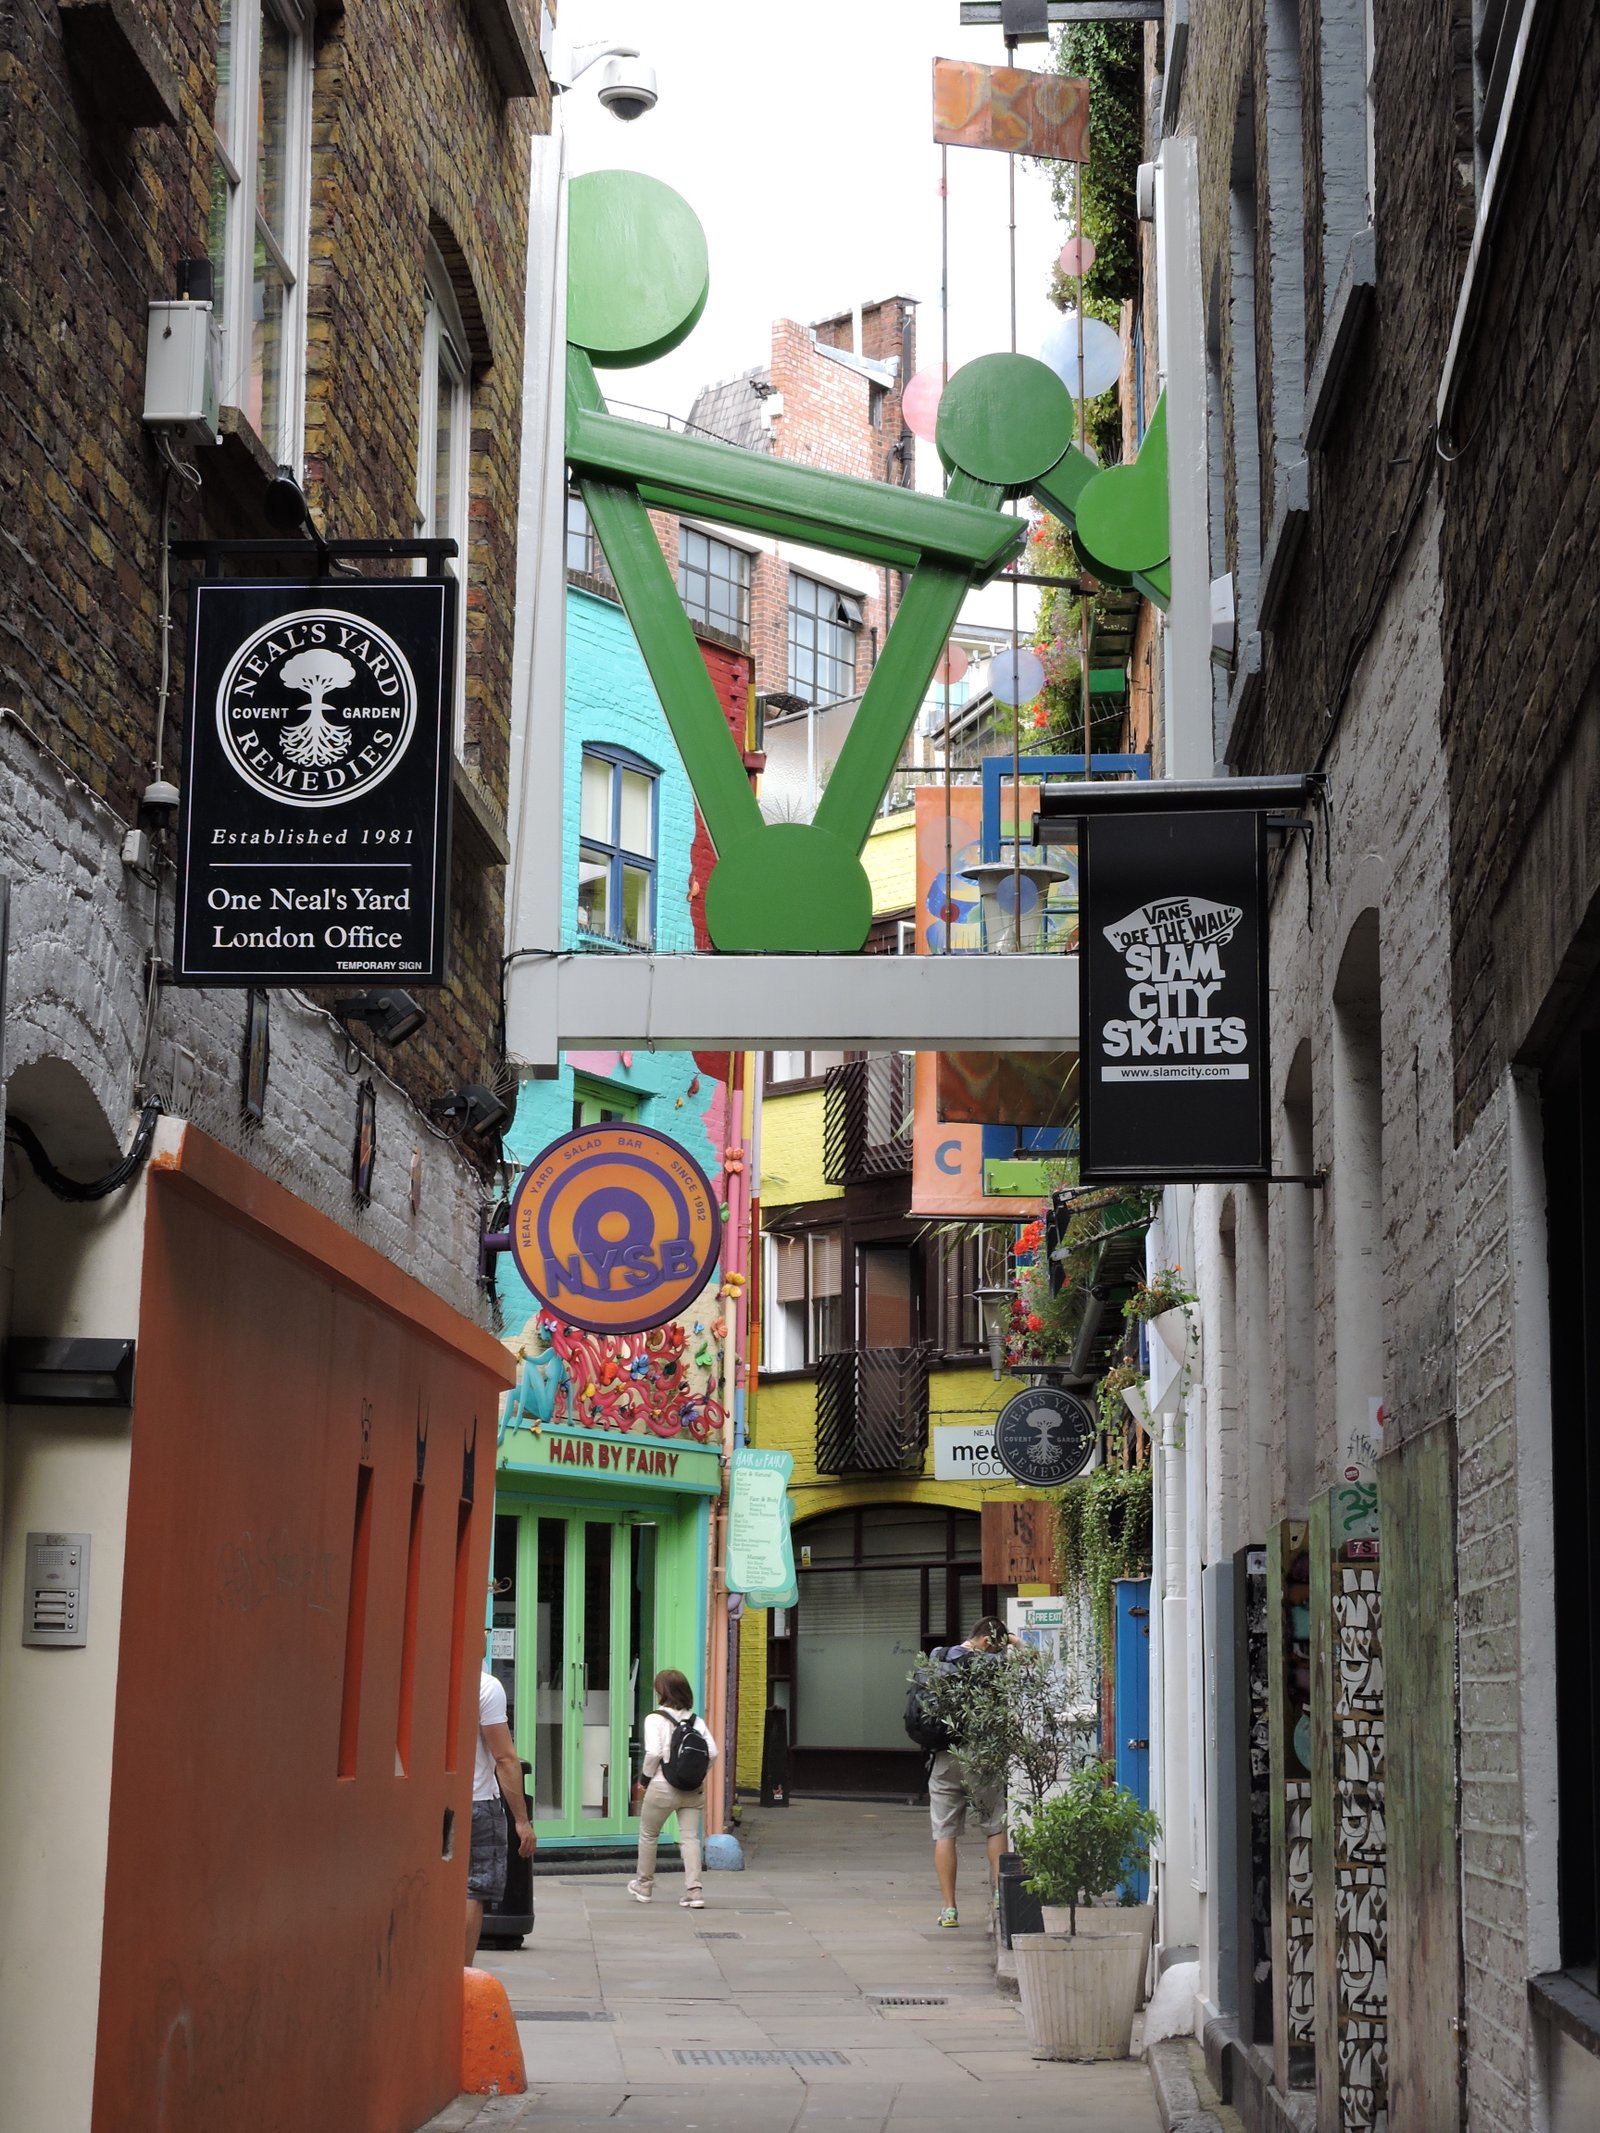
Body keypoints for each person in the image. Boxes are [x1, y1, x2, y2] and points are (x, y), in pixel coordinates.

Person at [927, 1615, 1016, 1929]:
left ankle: (949, 1909)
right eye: (995, 1647)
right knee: (994, 1824)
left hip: (943, 1757)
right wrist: (1016, 1643)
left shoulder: (939, 1658)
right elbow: (1035, 1663)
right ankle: (999, 1896)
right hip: (981, 1755)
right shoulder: (989, 1665)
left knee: (944, 1832)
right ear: (986, 1641)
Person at [628, 1668, 718, 1909]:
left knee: (649, 1835)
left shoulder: (654, 1718)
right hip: (692, 1790)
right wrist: (696, 1775)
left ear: (661, 1692)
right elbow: (713, 1752)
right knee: (690, 1838)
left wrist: (644, 1780)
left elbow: (654, 1752)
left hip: (662, 1787)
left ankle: (644, 1885)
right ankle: (694, 1890)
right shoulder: (696, 1720)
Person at [466, 1666, 536, 1965]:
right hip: (477, 1800)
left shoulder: (421, 1674)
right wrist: (521, 1819)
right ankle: (461, 1975)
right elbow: (505, 1757)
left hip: (423, 1800)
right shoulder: (485, 1686)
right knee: (473, 1889)